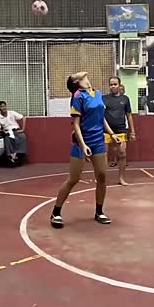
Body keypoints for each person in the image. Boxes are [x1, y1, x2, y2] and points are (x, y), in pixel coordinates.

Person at [51, 72, 121, 228]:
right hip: (82, 142)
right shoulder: (78, 96)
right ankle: (56, 212)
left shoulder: (98, 94)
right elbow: (76, 124)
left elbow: (101, 118)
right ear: (76, 83)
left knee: (102, 176)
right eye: (79, 77)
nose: (84, 76)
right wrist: (83, 145)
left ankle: (99, 212)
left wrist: (111, 134)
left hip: (98, 141)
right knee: (74, 179)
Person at [103, 77, 136, 185]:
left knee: (122, 154)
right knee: (103, 155)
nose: (113, 86)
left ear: (119, 85)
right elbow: (100, 116)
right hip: (106, 131)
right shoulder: (104, 99)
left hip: (121, 130)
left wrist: (132, 132)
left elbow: (129, 116)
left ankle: (121, 178)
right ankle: (102, 179)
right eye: (111, 84)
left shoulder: (125, 99)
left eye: (115, 84)